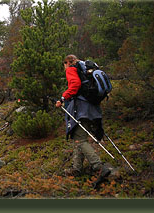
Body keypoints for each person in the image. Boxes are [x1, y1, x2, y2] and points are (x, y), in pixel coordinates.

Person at [55, 54, 111, 186]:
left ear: (67, 62)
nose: (64, 68)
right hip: (93, 108)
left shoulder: (72, 69)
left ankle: (99, 167)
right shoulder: (86, 68)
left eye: (64, 65)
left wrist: (63, 98)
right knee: (78, 138)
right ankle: (76, 168)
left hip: (82, 109)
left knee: (80, 140)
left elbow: (75, 84)